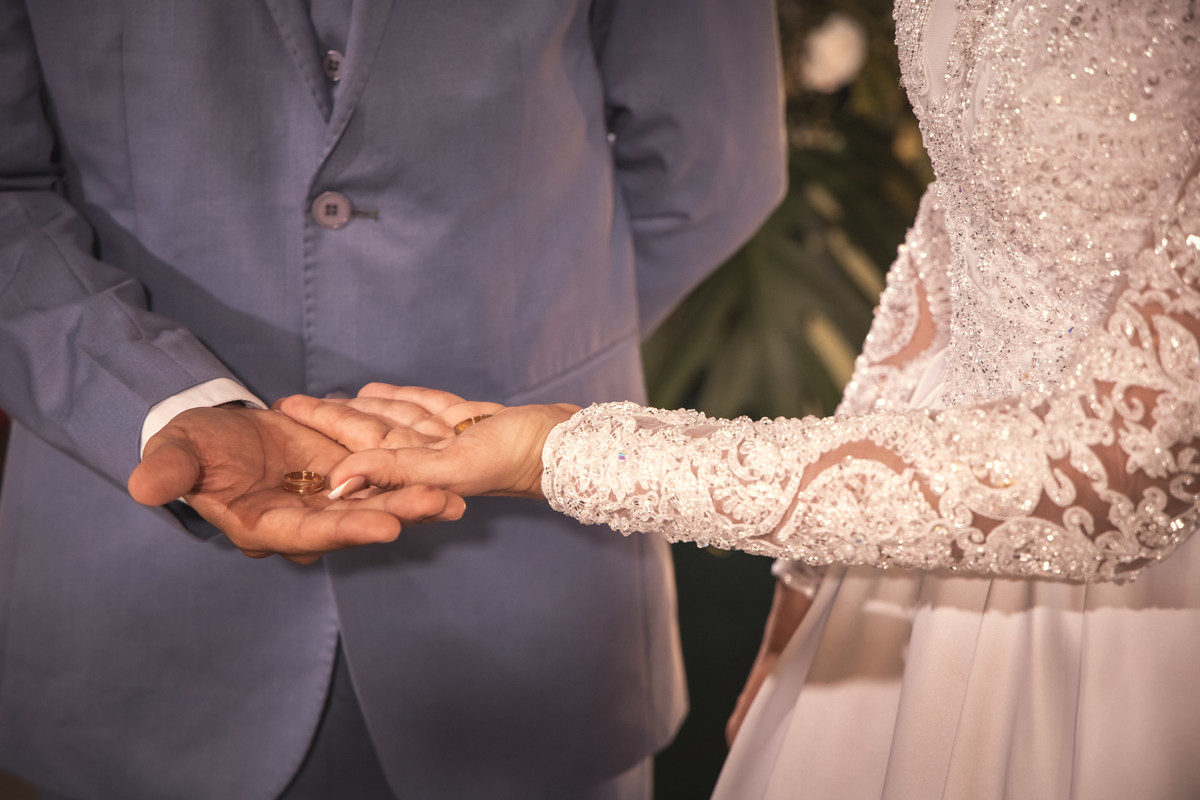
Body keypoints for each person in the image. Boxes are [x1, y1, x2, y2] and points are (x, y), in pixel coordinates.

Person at [278, 2, 1200, 797]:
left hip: (1127, 594)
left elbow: (1123, 469)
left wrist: (566, 451)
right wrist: (808, 574)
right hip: (914, 545)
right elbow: (965, 220)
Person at [0, 2, 785, 797]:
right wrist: (153, 396)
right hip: (129, 609)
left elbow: (714, 163)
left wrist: (527, 352)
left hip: (533, 594)